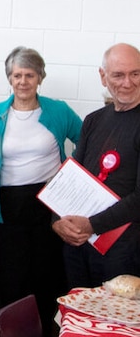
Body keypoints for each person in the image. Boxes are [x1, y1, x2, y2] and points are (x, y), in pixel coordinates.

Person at [0, 47, 81, 337]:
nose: (22, 81)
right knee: (13, 281)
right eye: (16, 75)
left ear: (40, 77)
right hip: (7, 208)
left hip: (48, 206)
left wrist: (71, 181)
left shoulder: (58, 110)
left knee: (47, 279)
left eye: (29, 75)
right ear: (9, 78)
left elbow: (87, 139)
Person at [53, 43, 140, 287]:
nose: (127, 82)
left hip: (125, 248)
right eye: (118, 75)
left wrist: (92, 225)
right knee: (77, 314)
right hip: (79, 244)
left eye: (135, 73)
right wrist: (57, 220)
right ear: (103, 77)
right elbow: (70, 178)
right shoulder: (93, 121)